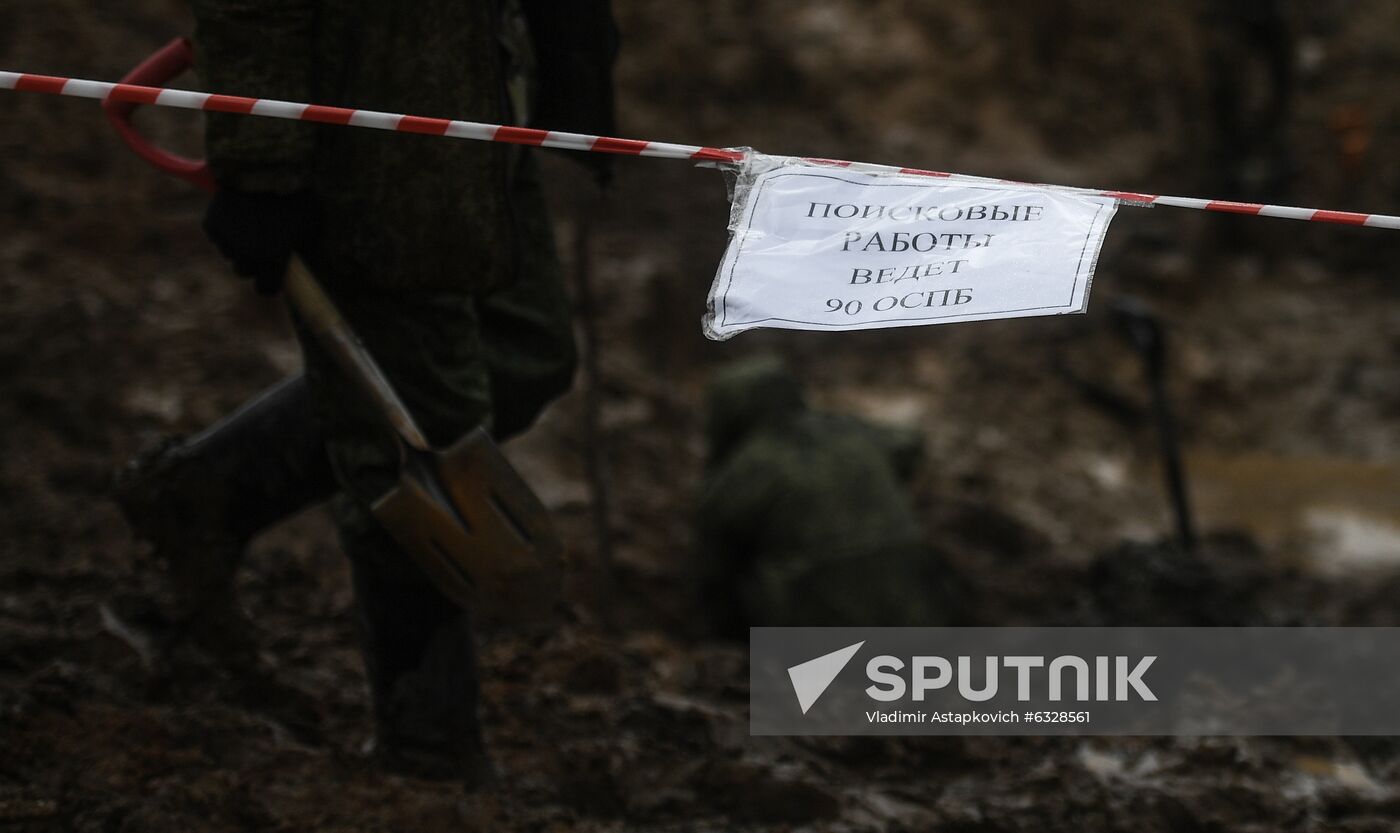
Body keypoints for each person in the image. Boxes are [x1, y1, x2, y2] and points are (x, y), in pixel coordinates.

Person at [115, 0, 617, 783]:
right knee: (422, 427)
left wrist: (577, 87)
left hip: (483, 106)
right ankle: (429, 749)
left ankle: (209, 488)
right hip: (368, 133)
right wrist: (262, 163)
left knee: (528, 352)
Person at [695, 355, 957, 636]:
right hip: (918, 607)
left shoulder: (746, 467)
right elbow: (909, 444)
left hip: (820, 624)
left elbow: (711, 570)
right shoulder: (849, 431)